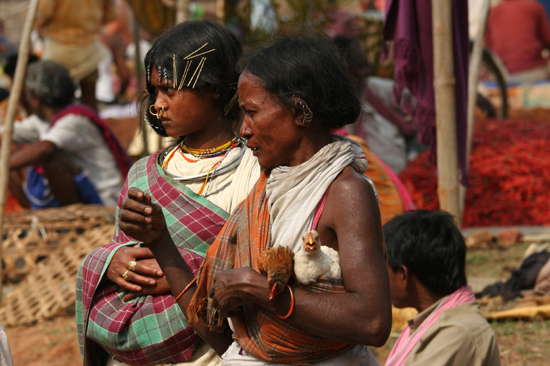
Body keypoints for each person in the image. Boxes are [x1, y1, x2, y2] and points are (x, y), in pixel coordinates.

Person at [123, 34, 392, 365]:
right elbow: (219, 332)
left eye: (251, 112)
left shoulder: (345, 192)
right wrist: (160, 241)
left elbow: (373, 322)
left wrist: (264, 292)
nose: (244, 129)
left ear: (300, 111)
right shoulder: (267, 189)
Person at [76, 20, 261, 366]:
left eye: (170, 91)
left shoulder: (250, 171)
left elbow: (253, 270)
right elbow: (124, 247)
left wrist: (180, 269)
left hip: (211, 354)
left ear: (214, 89)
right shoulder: (144, 173)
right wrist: (111, 262)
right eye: (154, 92)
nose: (158, 105)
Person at [0, 60, 132, 209]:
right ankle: (32, 213)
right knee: (5, 149)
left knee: (51, 160)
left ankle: (78, 220)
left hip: (104, 201)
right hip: (86, 195)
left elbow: (45, 148)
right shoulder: (42, 121)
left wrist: (3, 166)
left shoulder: (74, 120)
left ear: (36, 99)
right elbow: (6, 134)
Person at [383, 210, 501, 366]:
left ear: (403, 275)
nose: (379, 279)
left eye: (382, 268)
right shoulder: (433, 323)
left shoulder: (456, 334)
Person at [34, 0, 117, 111]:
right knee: (90, 105)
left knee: (58, 105)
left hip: (58, 50)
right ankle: (91, 125)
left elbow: (43, 14)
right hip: (89, 49)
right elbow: (110, 14)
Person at [485, 0, 550, 83]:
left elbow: (488, 50)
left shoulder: (492, 12)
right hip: (533, 74)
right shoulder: (533, 6)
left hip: (501, 78)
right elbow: (547, 42)